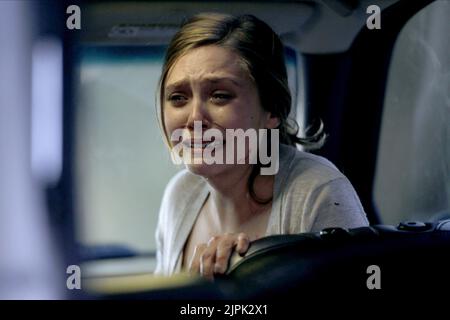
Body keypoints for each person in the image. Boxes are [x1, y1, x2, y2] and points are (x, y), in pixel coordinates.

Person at [154, 13, 369, 278]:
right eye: (178, 97)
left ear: (272, 111)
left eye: (220, 95)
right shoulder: (179, 195)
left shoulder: (318, 192)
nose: (195, 118)